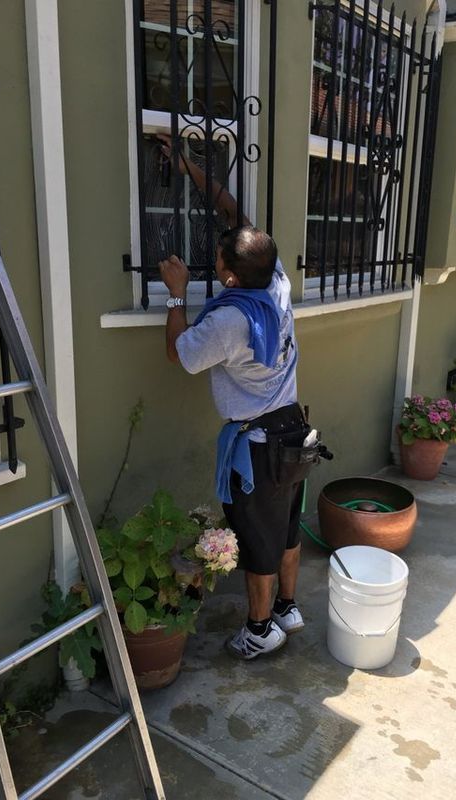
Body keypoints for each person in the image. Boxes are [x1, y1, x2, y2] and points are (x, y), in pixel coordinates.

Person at [158, 135, 306, 661]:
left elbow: (181, 353)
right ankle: (288, 607)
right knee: (286, 528)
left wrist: (176, 292)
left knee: (260, 540)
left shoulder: (227, 320)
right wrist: (191, 170)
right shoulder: (276, 285)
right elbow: (235, 216)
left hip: (260, 444)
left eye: (216, 258)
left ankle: (262, 628)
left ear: (225, 275)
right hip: (293, 428)